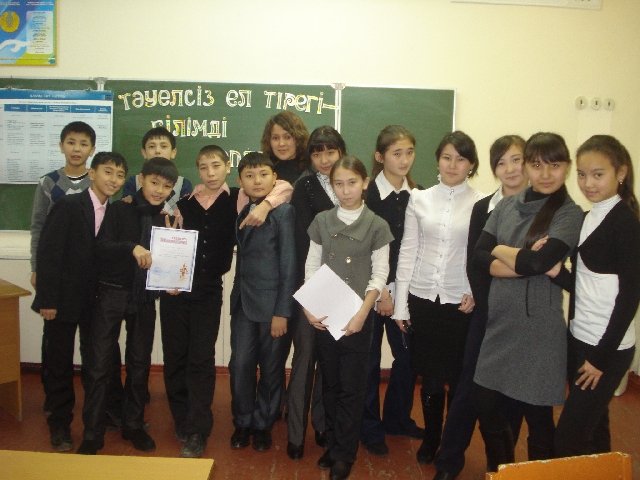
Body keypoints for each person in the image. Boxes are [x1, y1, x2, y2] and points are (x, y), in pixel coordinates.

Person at [161, 145, 292, 458]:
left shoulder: (241, 199)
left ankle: (251, 425)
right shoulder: (184, 203)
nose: (210, 173)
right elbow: (171, 240)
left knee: (241, 363)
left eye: (216, 166)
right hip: (195, 292)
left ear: (227, 169)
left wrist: (266, 204)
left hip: (224, 292)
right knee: (232, 363)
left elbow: (285, 187)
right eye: (203, 167)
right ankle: (230, 422)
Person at [472, 132, 584, 471]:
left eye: (555, 165)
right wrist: (515, 256)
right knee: (487, 408)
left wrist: (500, 251)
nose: (545, 174)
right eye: (536, 165)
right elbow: (479, 255)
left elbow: (536, 263)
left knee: (538, 419)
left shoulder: (569, 213)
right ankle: (502, 473)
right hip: (500, 324)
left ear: (567, 167)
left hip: (539, 331)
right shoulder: (507, 205)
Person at [432, 135, 528, 480]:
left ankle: (500, 465)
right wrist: (513, 268)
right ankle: (448, 463)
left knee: (510, 394)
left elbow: (538, 265)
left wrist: (509, 262)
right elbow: (476, 260)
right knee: (467, 388)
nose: (510, 169)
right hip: (486, 311)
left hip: (524, 316)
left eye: (516, 160)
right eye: (501, 162)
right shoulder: (483, 207)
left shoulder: (541, 208)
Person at [77, 157, 179, 455]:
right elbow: (101, 247)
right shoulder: (120, 209)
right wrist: (131, 248)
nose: (159, 190)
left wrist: (172, 281)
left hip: (145, 298)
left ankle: (133, 425)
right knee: (99, 365)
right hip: (111, 294)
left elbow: (168, 259)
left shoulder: (166, 218)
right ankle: (92, 432)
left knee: (139, 363)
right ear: (141, 179)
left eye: (166, 186)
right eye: (154, 182)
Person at [393, 131, 483, 465]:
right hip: (423, 298)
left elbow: (481, 254)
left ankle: (451, 442)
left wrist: (474, 291)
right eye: (447, 157)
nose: (452, 165)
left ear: (471, 164)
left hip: (461, 302)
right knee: (429, 376)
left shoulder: (482, 203)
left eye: (460, 159)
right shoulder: (419, 198)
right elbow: (408, 251)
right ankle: (431, 437)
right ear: (437, 161)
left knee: (458, 378)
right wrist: (401, 305)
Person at [31, 152, 128, 452]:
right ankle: (59, 423)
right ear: (92, 173)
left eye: (120, 175)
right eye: (107, 172)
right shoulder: (69, 205)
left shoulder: (114, 212)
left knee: (95, 361)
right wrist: (47, 299)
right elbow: (49, 253)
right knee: (59, 363)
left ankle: (98, 417)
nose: (113, 179)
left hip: (94, 301)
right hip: (61, 299)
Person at [305, 156, 394, 480]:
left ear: (364, 183)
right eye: (339, 184)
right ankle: (332, 443)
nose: (345, 190)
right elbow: (311, 265)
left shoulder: (377, 225)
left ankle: (344, 453)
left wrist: (362, 313)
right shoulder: (321, 221)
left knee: (352, 388)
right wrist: (309, 307)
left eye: (352, 183)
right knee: (329, 384)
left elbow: (379, 274)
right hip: (325, 312)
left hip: (358, 316)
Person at [554, 135, 640, 457]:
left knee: (568, 438)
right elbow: (584, 285)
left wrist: (600, 358)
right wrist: (555, 273)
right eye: (582, 174)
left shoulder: (625, 223)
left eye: (598, 174)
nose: (588, 183)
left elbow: (629, 298)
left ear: (621, 173)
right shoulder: (589, 217)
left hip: (606, 349)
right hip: (580, 337)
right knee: (594, 427)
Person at [361, 125, 423, 457]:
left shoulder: (420, 195)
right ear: (380, 156)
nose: (404, 160)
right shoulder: (367, 195)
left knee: (409, 357)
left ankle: (397, 419)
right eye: (396, 153)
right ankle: (369, 427)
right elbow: (364, 248)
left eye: (409, 152)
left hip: (407, 293)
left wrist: (401, 292)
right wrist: (383, 291)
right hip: (372, 291)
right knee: (368, 361)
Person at [228, 152, 296, 453]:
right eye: (249, 176)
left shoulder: (284, 212)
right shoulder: (243, 209)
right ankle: (243, 422)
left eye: (263, 174)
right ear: (240, 181)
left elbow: (289, 264)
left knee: (271, 368)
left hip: (272, 308)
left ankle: (263, 425)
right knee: (240, 365)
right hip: (243, 304)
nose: (257, 181)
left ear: (274, 178)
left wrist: (283, 311)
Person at [287, 126, 346, 460]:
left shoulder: (351, 183)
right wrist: (312, 289)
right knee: (305, 359)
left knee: (329, 364)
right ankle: (296, 434)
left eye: (330, 152)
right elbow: (304, 239)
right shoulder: (305, 186)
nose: (324, 159)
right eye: (317, 153)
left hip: (344, 289)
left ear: (341, 152)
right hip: (312, 285)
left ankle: (322, 426)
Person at [30, 121, 96, 289]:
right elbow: (38, 226)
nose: (76, 149)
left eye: (84, 144)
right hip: (53, 262)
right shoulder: (47, 182)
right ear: (61, 146)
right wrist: (36, 268)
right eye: (71, 142)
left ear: (92, 150)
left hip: (88, 265)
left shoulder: (97, 182)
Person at [121, 126, 193, 214]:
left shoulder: (183, 184)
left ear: (173, 152)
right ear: (144, 152)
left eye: (163, 146)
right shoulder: (133, 182)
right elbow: (127, 211)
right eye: (152, 146)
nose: (157, 151)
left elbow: (187, 214)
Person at [260, 111, 310, 184]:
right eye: (275, 138)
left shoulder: (312, 170)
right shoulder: (262, 171)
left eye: (287, 137)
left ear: (299, 138)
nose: (281, 143)